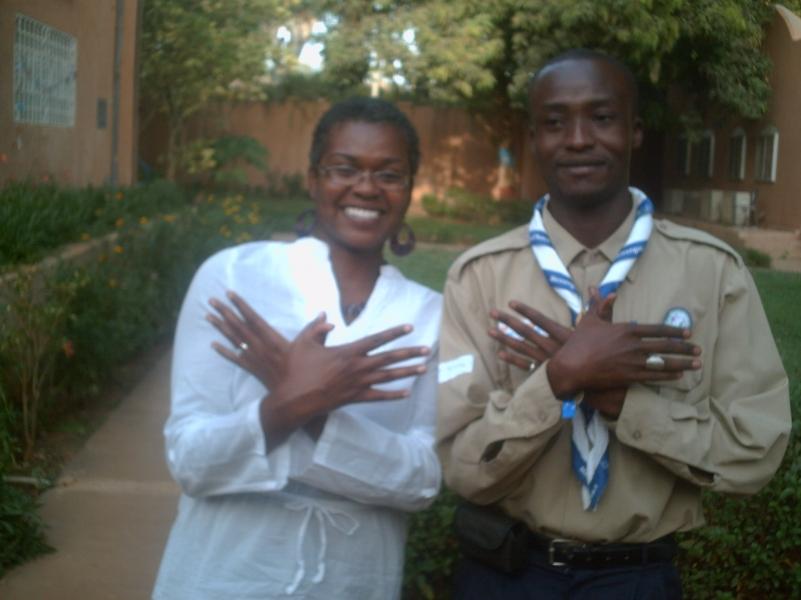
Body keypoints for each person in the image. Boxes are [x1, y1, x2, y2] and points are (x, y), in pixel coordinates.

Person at [436, 49, 791, 599]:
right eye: (555, 122)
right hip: (505, 574)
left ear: (636, 131)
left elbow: (756, 451)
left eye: (601, 118)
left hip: (639, 579)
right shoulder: (479, 278)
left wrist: (622, 401)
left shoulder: (711, 273)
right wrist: (557, 381)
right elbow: (460, 465)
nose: (578, 138)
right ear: (535, 137)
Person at [153, 97, 442, 599]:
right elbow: (191, 461)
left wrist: (315, 413)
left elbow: (421, 482)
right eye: (344, 168)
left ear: (409, 189)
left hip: (353, 581)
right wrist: (285, 407)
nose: (366, 187)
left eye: (389, 174)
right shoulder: (235, 276)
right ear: (312, 179)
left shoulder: (429, 315)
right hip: (223, 575)